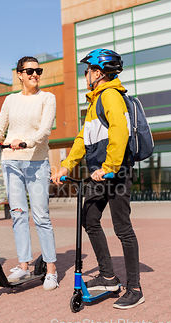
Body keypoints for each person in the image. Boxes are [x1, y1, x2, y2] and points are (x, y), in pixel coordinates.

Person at [51, 49, 144, 309]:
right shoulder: (94, 102)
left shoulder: (111, 96)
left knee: (122, 227)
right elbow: (82, 139)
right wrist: (67, 166)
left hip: (116, 172)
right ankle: (108, 277)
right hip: (98, 173)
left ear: (98, 73)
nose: (86, 75)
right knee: (89, 218)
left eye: (87, 71)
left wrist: (110, 166)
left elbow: (120, 132)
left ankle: (135, 288)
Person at [0, 56, 58, 290]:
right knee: (18, 214)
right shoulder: (10, 100)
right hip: (11, 162)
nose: (35, 74)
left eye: (38, 70)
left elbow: (45, 131)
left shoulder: (47, 98)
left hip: (36, 162)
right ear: (20, 75)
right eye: (30, 71)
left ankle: (52, 270)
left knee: (41, 216)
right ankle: (24, 265)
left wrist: (24, 141)